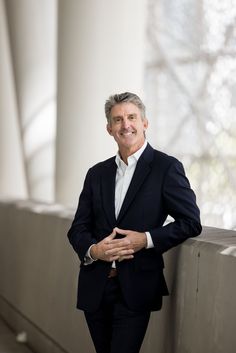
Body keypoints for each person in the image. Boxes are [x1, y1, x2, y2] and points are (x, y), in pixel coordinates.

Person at [67, 92, 202, 353]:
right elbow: (78, 228)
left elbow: (190, 221)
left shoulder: (166, 168)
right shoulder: (96, 174)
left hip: (136, 287)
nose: (125, 125)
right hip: (96, 285)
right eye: (117, 120)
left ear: (144, 123)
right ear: (109, 129)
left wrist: (146, 240)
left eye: (131, 117)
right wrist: (94, 251)